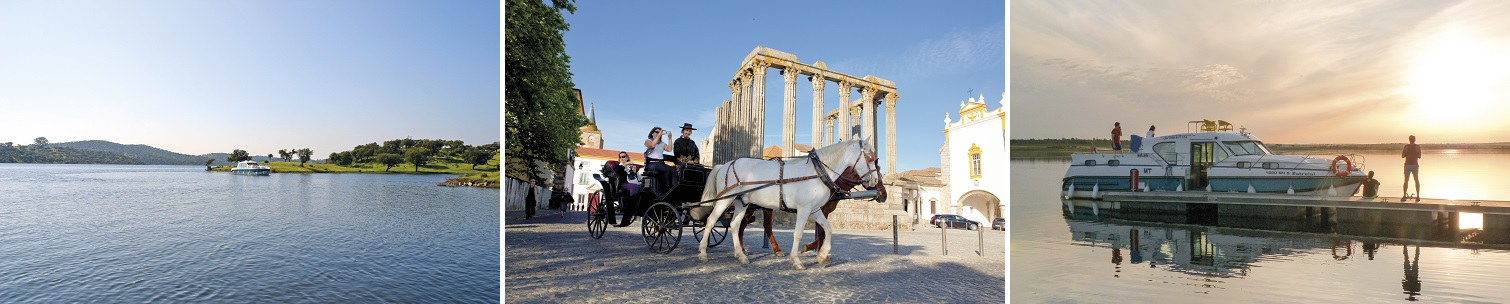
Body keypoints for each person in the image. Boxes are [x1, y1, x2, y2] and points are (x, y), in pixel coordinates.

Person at [643, 127, 673, 196]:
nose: (658, 133)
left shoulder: (662, 143)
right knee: (666, 169)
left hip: (660, 163)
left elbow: (669, 149)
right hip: (651, 164)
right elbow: (652, 145)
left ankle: (673, 187)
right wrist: (659, 135)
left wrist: (670, 138)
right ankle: (666, 188)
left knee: (673, 169)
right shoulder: (648, 140)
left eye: (660, 132)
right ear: (652, 133)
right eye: (657, 132)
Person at [1402, 135, 1422, 202]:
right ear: (1415, 139)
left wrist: (1407, 151)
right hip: (1412, 165)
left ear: (1409, 139)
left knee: (1407, 181)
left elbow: (1402, 156)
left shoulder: (1407, 146)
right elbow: (1419, 156)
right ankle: (1417, 196)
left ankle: (1405, 195)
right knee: (1416, 180)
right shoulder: (1416, 147)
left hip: (1409, 165)